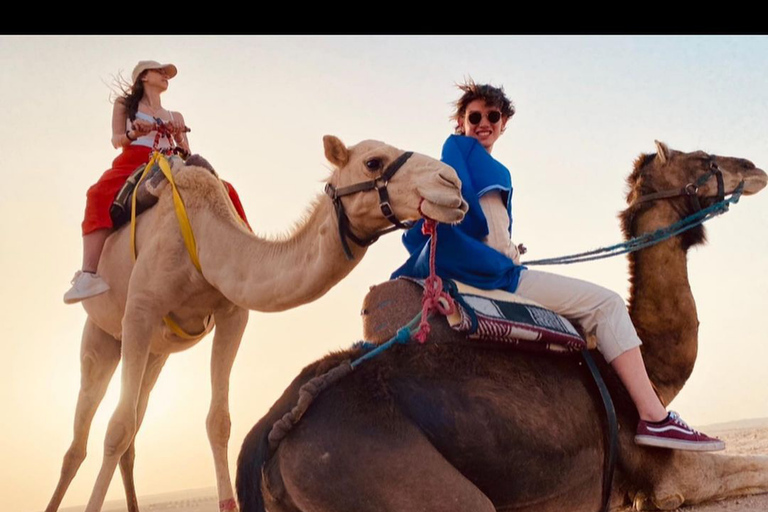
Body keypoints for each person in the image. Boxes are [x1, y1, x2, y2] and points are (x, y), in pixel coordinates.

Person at [391, 79, 724, 451]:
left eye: (492, 115)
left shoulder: (484, 162)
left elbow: (482, 221)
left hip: (494, 265)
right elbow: (462, 203)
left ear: (503, 123)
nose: (483, 122)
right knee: (606, 305)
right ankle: (655, 418)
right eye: (474, 116)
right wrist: (498, 254)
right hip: (495, 273)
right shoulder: (459, 148)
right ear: (461, 122)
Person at [64, 60, 249, 304]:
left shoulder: (175, 115)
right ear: (143, 77)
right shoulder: (125, 106)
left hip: (170, 159)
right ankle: (88, 274)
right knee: (96, 194)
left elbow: (185, 150)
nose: (165, 76)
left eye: (166, 73)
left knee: (224, 188)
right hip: (134, 160)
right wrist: (134, 133)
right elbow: (116, 139)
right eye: (159, 72)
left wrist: (178, 135)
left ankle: (247, 247)